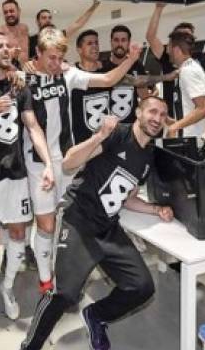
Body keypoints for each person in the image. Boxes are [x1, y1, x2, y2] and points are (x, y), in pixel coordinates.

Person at [18, 98, 175, 350]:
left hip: (108, 227)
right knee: (64, 292)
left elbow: (126, 197)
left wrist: (155, 209)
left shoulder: (149, 156)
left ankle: (97, 316)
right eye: (152, 111)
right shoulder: (117, 134)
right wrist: (99, 135)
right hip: (79, 220)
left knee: (142, 286)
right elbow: (68, 162)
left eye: (163, 114)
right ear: (139, 112)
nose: (157, 118)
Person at [24, 29, 144, 295]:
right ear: (38, 54)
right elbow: (31, 124)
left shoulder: (68, 75)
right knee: (46, 223)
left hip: (67, 156)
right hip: (37, 159)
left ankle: (64, 274)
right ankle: (46, 279)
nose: (56, 63)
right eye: (51, 58)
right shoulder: (25, 79)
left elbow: (108, 79)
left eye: (60, 58)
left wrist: (130, 59)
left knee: (68, 218)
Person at [0, 31, 55, 323]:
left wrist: (48, 164)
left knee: (19, 233)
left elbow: (33, 127)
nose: (6, 49)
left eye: (8, 45)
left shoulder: (19, 85)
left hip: (15, 173)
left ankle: (7, 288)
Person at [164, 31, 205, 138]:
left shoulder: (188, 70)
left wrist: (175, 126)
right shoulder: (185, 69)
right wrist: (175, 121)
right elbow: (192, 107)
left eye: (169, 47)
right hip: (189, 135)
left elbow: (203, 108)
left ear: (176, 50)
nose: (167, 51)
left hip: (193, 138)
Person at [0, 0, 32, 65]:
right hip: (8, 72)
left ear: (19, 11)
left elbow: (26, 53)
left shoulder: (24, 28)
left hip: (25, 72)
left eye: (11, 11)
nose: (9, 14)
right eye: (5, 12)